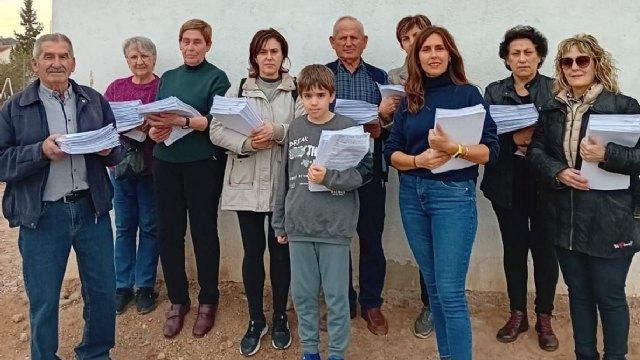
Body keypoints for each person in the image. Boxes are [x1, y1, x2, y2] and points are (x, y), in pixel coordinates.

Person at [0, 33, 123, 360]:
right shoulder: (15, 108)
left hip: (91, 210)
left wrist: (110, 150)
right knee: (44, 299)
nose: (57, 63)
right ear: (35, 63)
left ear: (73, 62)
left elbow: (117, 150)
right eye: (49, 56)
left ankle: (96, 353)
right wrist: (39, 151)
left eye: (63, 56)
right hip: (42, 217)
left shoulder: (94, 100)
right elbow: (2, 161)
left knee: (102, 292)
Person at [384, 26, 499, 360]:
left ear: (451, 54)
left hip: (452, 196)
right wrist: (417, 159)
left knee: (449, 292)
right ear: (416, 57)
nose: (433, 55)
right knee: (434, 290)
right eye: (425, 49)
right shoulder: (410, 99)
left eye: (439, 48)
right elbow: (392, 152)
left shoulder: (468, 95)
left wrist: (456, 148)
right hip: (412, 195)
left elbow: (491, 151)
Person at [527, 33, 640, 360]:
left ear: (596, 63)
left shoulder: (623, 106)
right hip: (566, 217)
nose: (574, 67)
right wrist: (557, 171)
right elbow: (535, 151)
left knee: (610, 296)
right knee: (578, 295)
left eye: (582, 60)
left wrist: (608, 154)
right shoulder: (551, 108)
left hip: (611, 219)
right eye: (567, 61)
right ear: (560, 68)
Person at [209, 28, 303, 356]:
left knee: (280, 254)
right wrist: (248, 144)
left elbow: (309, 128)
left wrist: (278, 132)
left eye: (274, 51)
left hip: (282, 187)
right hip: (246, 184)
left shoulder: (297, 91)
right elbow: (216, 130)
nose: (268, 58)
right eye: (262, 52)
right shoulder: (239, 89)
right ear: (254, 57)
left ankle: (279, 317)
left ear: (283, 56)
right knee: (252, 254)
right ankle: (255, 319)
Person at [272, 64, 372, 360]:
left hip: (334, 227)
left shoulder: (348, 127)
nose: (313, 101)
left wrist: (329, 177)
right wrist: (280, 222)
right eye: (307, 95)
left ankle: (337, 353)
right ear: (300, 96)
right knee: (303, 296)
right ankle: (310, 350)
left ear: (332, 95)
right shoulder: (296, 127)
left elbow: (363, 172)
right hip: (299, 223)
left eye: (320, 95)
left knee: (337, 297)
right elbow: (284, 178)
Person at [147, 19, 231, 338]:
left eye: (198, 42)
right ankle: (178, 301)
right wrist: (155, 130)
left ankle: (208, 300)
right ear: (179, 44)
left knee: (204, 233)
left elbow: (218, 122)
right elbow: (157, 119)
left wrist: (186, 120)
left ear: (208, 45)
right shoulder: (168, 77)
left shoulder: (217, 78)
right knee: (169, 234)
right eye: (186, 41)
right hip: (165, 163)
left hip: (202, 165)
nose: (191, 47)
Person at [479, 26, 559, 350]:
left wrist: (533, 139)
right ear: (506, 59)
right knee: (514, 251)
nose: (522, 58)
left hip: (547, 183)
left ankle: (544, 316)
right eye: (515, 53)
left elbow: (563, 136)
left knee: (545, 252)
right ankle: (517, 314)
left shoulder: (556, 89)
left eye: (528, 52)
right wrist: (514, 138)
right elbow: (484, 134)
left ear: (539, 57)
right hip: (506, 182)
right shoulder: (494, 91)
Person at [326, 15, 393, 335]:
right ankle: (342, 302)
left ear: (364, 41)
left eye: (355, 37)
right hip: (333, 174)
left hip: (370, 171)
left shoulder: (381, 78)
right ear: (333, 42)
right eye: (343, 37)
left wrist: (382, 127)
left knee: (371, 240)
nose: (349, 42)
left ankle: (371, 303)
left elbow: (397, 127)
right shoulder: (322, 76)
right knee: (336, 241)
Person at [387, 13, 435, 339]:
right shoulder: (393, 77)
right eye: (406, 38)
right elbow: (390, 133)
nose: (413, 42)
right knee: (422, 243)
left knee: (445, 243)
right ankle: (429, 303)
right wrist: (387, 112)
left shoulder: (442, 71)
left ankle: (442, 301)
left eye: (418, 35)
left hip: (444, 168)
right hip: (410, 166)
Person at [105, 36, 160, 316]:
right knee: (125, 227)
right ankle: (122, 285)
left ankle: (145, 286)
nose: (139, 61)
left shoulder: (163, 86)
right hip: (120, 168)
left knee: (150, 227)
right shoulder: (116, 88)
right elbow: (102, 122)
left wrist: (150, 124)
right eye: (133, 57)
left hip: (152, 167)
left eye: (144, 56)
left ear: (154, 58)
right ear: (127, 60)